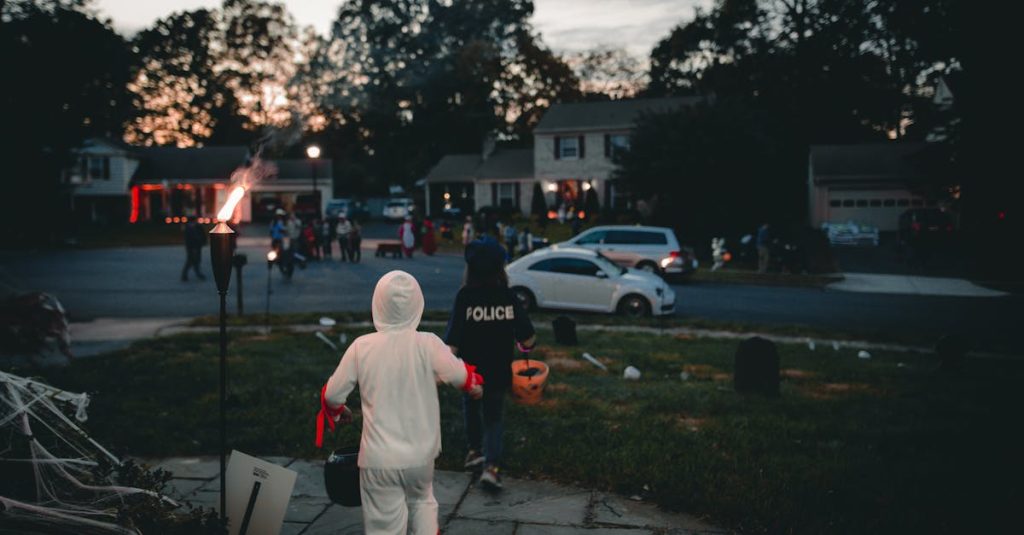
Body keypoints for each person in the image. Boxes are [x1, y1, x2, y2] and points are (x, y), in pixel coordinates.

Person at [317, 270, 484, 534]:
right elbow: (459, 374)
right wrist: (472, 386)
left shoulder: (362, 347)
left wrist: (339, 410)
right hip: (420, 456)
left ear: (377, 305)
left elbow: (331, 395)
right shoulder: (428, 344)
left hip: (378, 459)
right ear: (417, 305)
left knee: (384, 521)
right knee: (422, 502)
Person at [444, 237, 536, 490]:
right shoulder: (508, 296)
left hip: (470, 372)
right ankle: (491, 468)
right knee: (493, 417)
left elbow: (452, 342)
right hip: (498, 371)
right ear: (500, 268)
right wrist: (524, 346)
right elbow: (528, 337)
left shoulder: (465, 297)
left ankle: (474, 451)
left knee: (471, 408)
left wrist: (444, 367)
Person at [180, 215, 207, 281]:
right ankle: (185, 275)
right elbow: (192, 238)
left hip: (196, 246)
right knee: (191, 260)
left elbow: (202, 234)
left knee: (196, 260)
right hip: (193, 247)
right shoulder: (190, 228)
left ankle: (197, 273)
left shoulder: (195, 226)